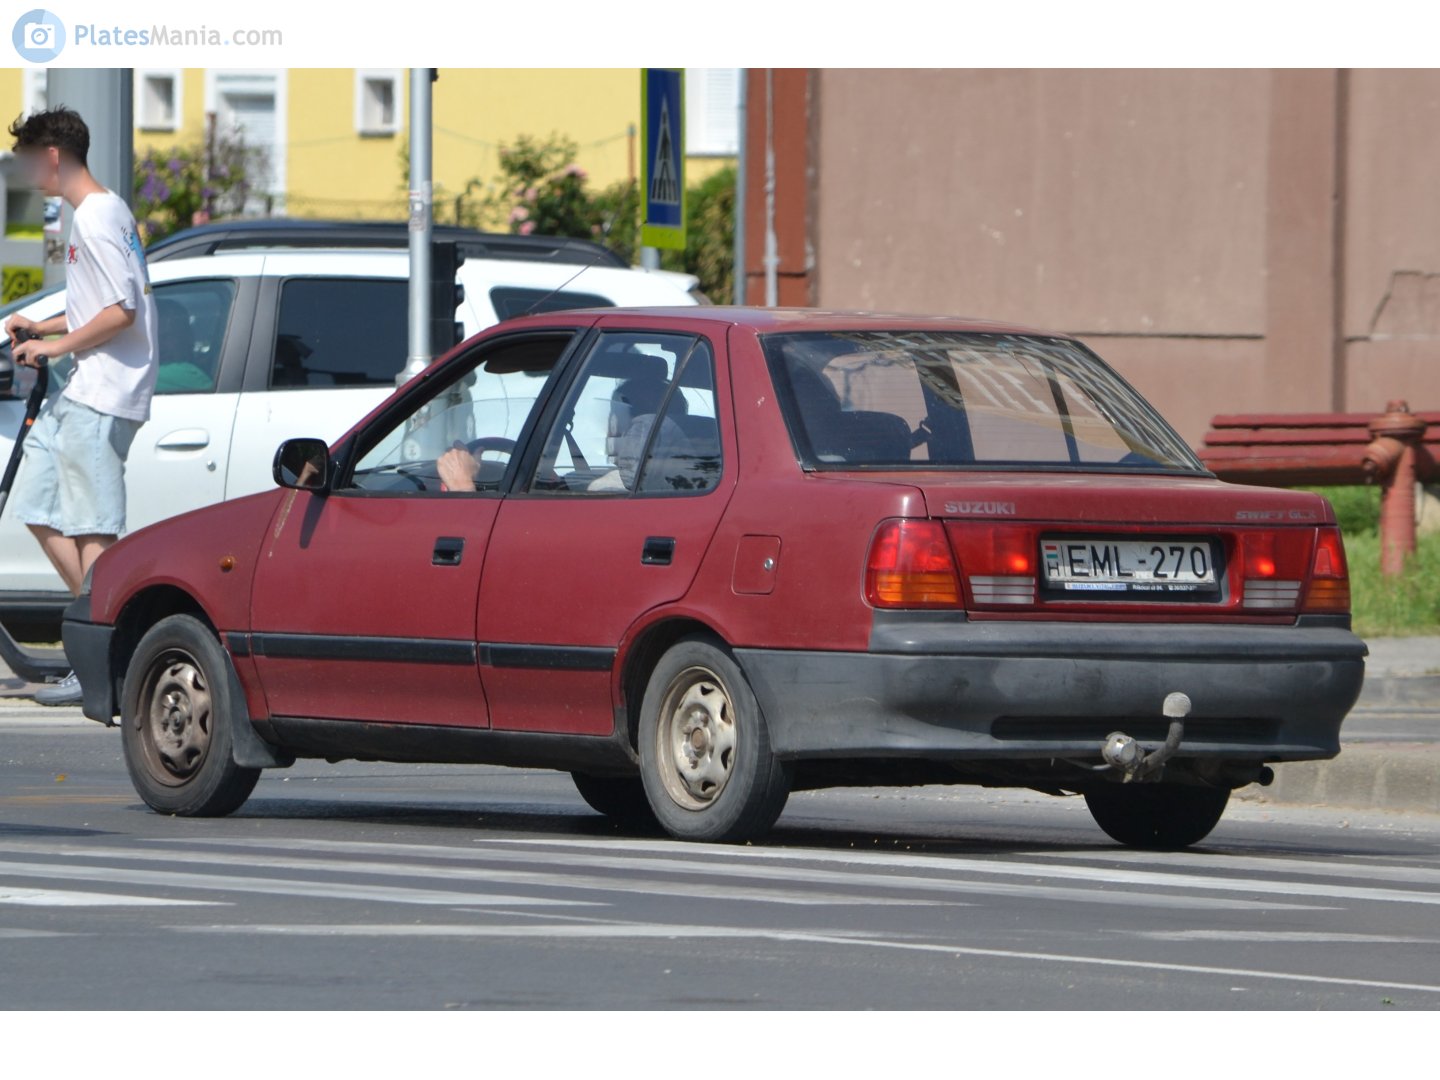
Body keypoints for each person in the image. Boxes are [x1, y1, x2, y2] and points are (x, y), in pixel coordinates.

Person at [3, 107, 158, 706]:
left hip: (104, 393)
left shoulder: (95, 217)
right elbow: (97, 304)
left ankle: (111, 660)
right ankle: (103, 647)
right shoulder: (98, 213)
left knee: (93, 527)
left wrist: (54, 346)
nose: (22, 171)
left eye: (25, 158)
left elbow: (122, 311)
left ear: (51, 156)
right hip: (85, 390)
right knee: (38, 503)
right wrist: (36, 324)